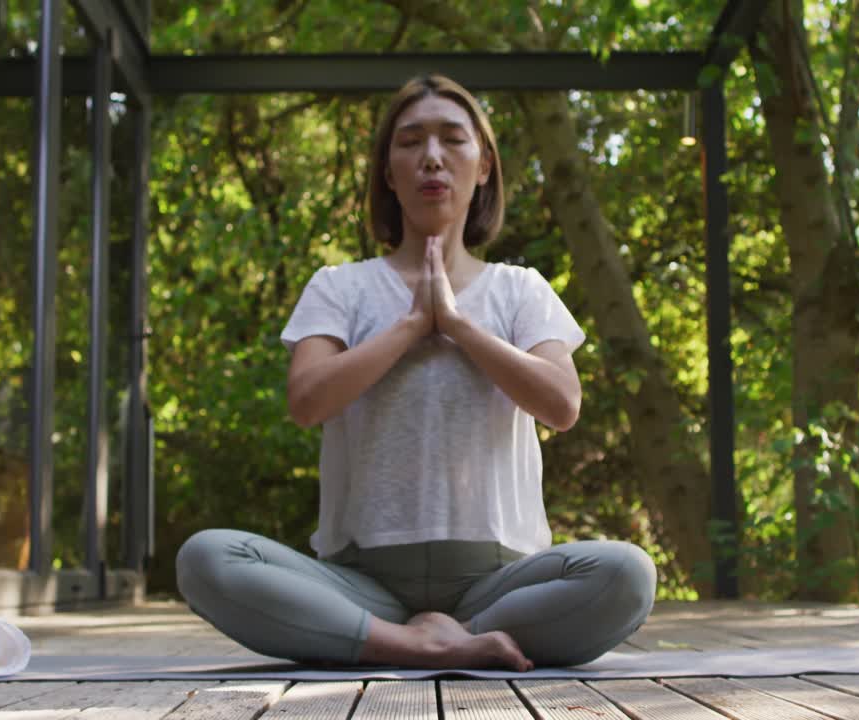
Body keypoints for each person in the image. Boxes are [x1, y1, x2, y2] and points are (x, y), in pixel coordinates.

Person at [176, 74, 656, 671]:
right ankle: (410, 642)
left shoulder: (519, 289)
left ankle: (431, 634)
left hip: (497, 580)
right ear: (387, 170)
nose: (432, 156)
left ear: (483, 166)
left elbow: (562, 405)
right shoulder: (339, 288)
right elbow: (307, 401)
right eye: (410, 141)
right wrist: (409, 328)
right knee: (207, 559)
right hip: (361, 581)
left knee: (627, 575)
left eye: (453, 138)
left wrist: (458, 326)